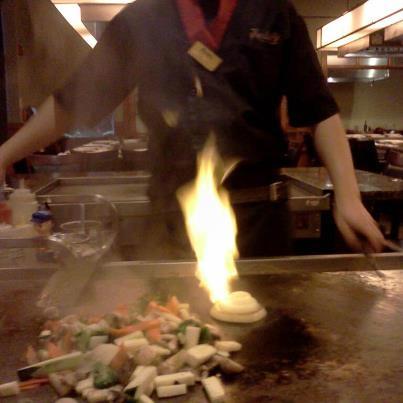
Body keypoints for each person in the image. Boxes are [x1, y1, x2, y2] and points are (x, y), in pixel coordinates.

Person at [0, 0, 384, 258]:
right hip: (172, 220)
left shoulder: (274, 12)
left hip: (257, 219)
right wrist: (3, 156)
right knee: (171, 336)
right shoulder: (143, 18)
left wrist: (348, 198)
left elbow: (319, 110)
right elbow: (73, 102)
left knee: (265, 344)